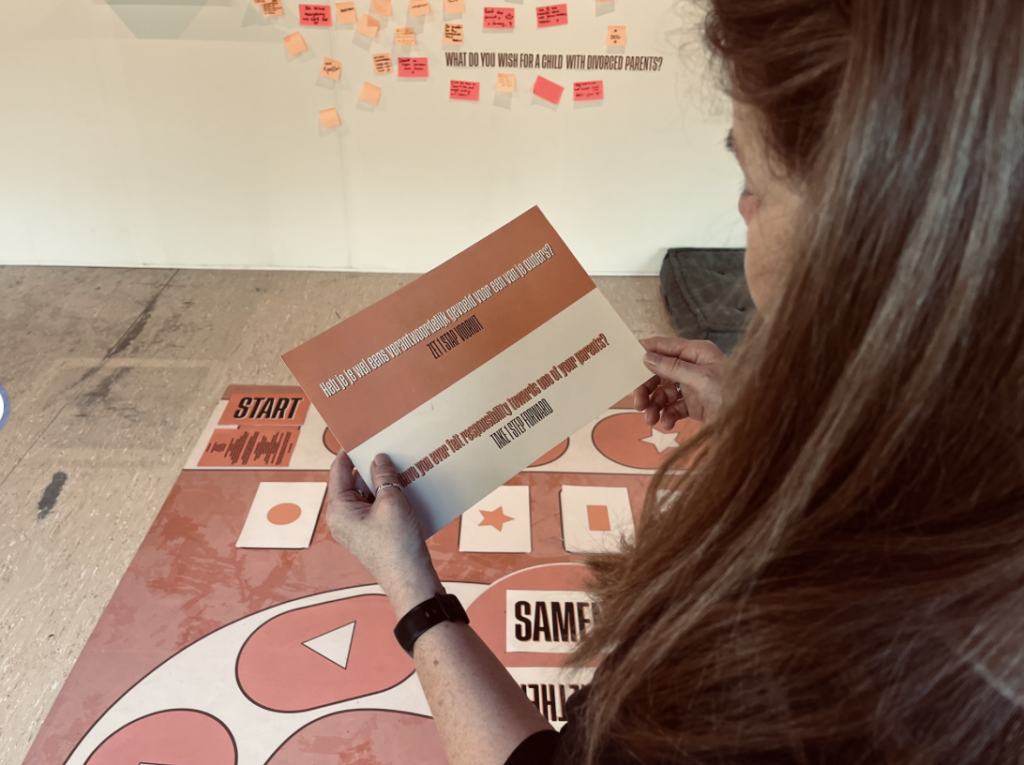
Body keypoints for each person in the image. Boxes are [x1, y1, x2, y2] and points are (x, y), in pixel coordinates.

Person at [327, 0, 1024, 762]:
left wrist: (411, 588)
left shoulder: (755, 672)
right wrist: (757, 424)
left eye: (752, 181)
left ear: (869, 236)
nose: (741, 208)